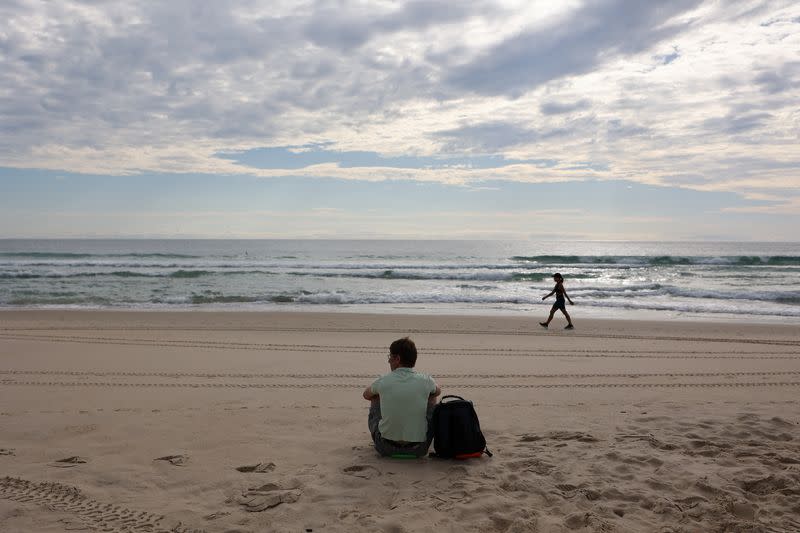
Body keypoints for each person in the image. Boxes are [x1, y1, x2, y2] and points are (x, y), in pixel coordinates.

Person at [363, 337, 441, 457]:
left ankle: (390, 431)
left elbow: (366, 395)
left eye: (390, 357)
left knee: (375, 396)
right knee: (431, 396)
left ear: (397, 359)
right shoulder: (426, 380)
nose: (389, 361)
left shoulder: (383, 380)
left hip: (385, 447)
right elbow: (438, 391)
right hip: (419, 449)